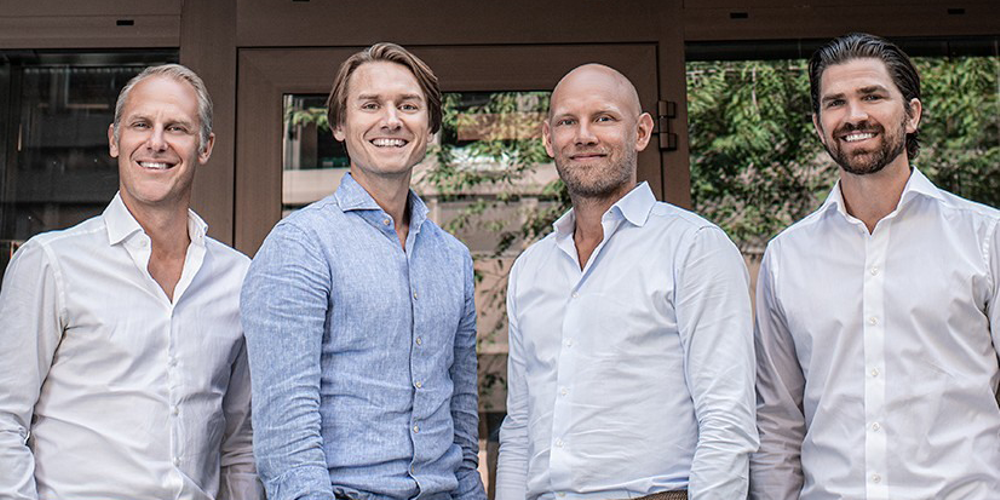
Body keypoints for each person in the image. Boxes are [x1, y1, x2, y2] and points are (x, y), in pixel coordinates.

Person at [752, 32, 1000, 499]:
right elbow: (777, 421)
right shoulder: (787, 256)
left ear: (912, 114)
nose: (854, 115)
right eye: (836, 102)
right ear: (818, 125)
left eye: (872, 96)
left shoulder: (986, 238)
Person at [496, 63, 758, 500]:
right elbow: (520, 426)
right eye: (567, 122)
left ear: (641, 132)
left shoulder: (693, 247)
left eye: (603, 118)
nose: (583, 135)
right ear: (548, 138)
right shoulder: (530, 269)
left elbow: (726, 420)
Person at [0, 64, 261, 499]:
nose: (156, 142)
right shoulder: (51, 263)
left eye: (176, 128)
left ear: (205, 147)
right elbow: (4, 420)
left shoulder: (238, 278)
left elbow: (240, 444)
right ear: (114, 139)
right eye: (141, 125)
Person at [241, 42, 486, 500]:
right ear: (339, 125)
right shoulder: (301, 245)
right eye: (370, 105)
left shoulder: (453, 259)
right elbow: (286, 434)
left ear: (430, 125)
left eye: (408, 106)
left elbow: (461, 421)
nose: (391, 120)